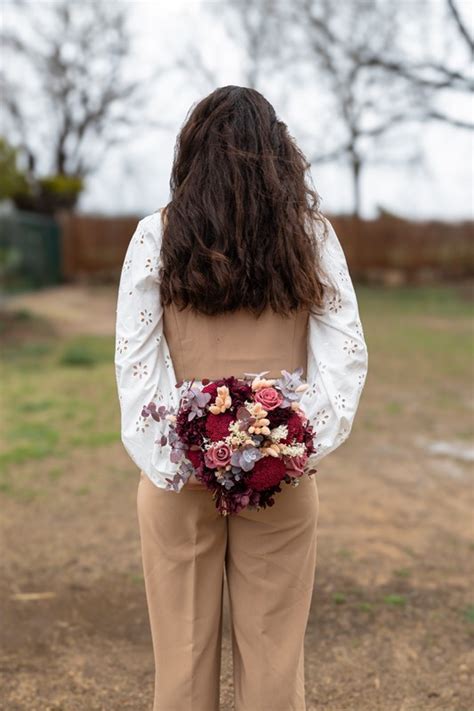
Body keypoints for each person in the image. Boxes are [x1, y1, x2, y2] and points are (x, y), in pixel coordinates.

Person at [114, 85, 368, 711]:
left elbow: (135, 363)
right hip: (281, 479)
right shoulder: (310, 237)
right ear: (280, 156)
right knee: (274, 665)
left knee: (181, 664)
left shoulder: (157, 235)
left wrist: (179, 458)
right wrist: (289, 443)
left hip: (178, 480)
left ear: (191, 152)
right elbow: (345, 357)